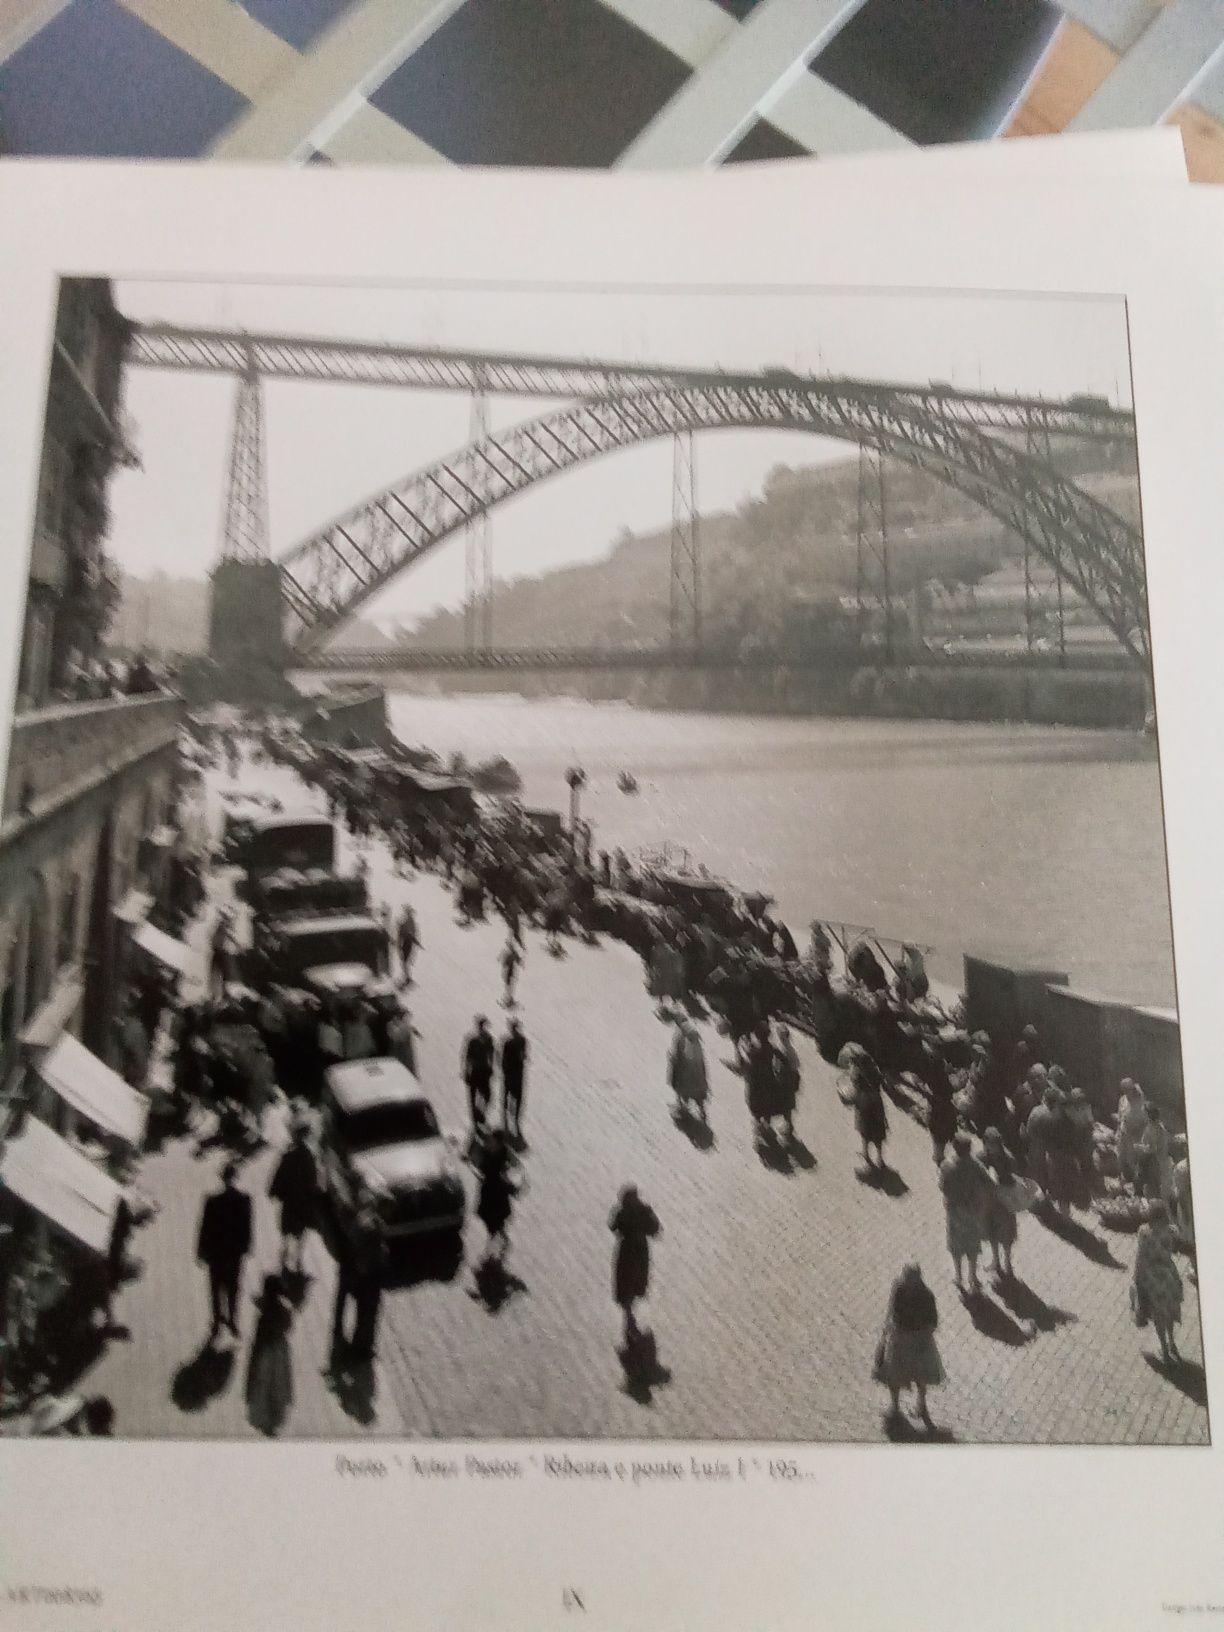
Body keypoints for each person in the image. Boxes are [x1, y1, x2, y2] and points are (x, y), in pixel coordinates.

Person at [873, 1264, 942, 1429]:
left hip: (913, 1339)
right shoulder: (903, 1291)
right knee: (897, 1375)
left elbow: (932, 1322)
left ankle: (920, 1405)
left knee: (917, 1376)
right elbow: (894, 1313)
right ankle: (897, 1406)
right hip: (907, 1338)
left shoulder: (923, 1295)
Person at [196, 1160, 253, 1339]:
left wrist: (201, 1250)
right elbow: (247, 1228)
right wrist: (245, 1248)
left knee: (215, 1288)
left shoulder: (212, 1201)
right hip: (234, 1254)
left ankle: (216, 1321)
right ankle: (232, 1320)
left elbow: (204, 1228)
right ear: (235, 1177)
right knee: (233, 1288)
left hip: (216, 1253)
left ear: (222, 1179)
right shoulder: (244, 1200)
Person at [332, 1186, 388, 1363]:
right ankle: (361, 1348)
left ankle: (346, 1339)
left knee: (352, 1309)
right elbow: (367, 1253)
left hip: (357, 1273)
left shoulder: (361, 1219)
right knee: (367, 1313)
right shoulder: (372, 1225)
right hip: (367, 1276)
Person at [938, 1132, 994, 1294]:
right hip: (972, 1210)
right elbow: (990, 1183)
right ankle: (973, 1277)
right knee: (972, 1243)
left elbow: (942, 1186)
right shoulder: (975, 1165)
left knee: (956, 1244)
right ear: (969, 1149)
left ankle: (958, 1276)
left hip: (954, 1210)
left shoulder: (947, 1165)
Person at [1131, 1201, 1184, 1364]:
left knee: (1158, 1315)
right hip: (1169, 1275)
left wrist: (1136, 1276)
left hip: (1153, 1279)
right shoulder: (1170, 1231)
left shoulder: (1144, 1232)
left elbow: (1141, 1257)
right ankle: (1172, 1343)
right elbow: (1172, 1249)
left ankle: (1164, 1351)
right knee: (1169, 1311)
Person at [245, 1273, 295, 1436]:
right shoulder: (283, 1311)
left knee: (263, 1381)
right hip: (278, 1351)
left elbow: (260, 1336)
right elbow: (288, 1327)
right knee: (277, 1381)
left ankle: (266, 1405)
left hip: (265, 1351)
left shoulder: (265, 1312)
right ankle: (274, 1404)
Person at [610, 1185, 660, 1345]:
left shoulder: (621, 1211)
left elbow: (613, 1227)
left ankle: (628, 1314)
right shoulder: (644, 1210)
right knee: (636, 1280)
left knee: (626, 1281)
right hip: (639, 1251)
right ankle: (630, 1314)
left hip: (626, 1250)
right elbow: (655, 1228)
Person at [268, 1120, 319, 1276]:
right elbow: (313, 1180)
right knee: (300, 1228)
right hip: (302, 1200)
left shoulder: (290, 1155)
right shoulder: (309, 1156)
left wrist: (274, 1190)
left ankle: (286, 1251)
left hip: (291, 1199)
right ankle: (297, 1254)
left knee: (288, 1227)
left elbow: (280, 1174)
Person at [476, 1129, 518, 1259]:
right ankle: (500, 1235)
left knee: (496, 1214)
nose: (491, 1141)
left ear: (499, 1142)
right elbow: (478, 1165)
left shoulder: (504, 1151)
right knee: (488, 1215)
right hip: (488, 1187)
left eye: (493, 1140)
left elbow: (516, 1164)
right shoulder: (486, 1149)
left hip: (498, 1188)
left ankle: (495, 1238)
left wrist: (506, 1171)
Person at [847, 1053, 889, 1169]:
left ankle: (866, 1154)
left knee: (865, 1130)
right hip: (877, 1103)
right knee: (878, 1133)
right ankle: (880, 1159)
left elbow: (854, 1087)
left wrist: (852, 1069)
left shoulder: (858, 1075)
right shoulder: (876, 1073)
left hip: (864, 1103)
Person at [463, 1015, 496, 1135]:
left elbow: (491, 1054)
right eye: (482, 1025)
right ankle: (475, 1122)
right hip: (475, 1071)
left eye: (484, 1025)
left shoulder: (488, 1039)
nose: (483, 1028)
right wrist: (466, 1071)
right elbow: (468, 1056)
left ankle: (479, 1113)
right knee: (473, 1097)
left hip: (484, 1071)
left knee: (487, 1096)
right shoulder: (472, 1040)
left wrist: (491, 1067)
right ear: (479, 1026)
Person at [1138, 1103, 1173, 1203]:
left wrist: (1140, 1147)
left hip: (1158, 1162)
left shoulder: (1156, 1128)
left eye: (1144, 1113)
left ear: (1148, 1114)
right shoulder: (1151, 1126)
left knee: (1158, 1190)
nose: (1142, 1115)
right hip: (1153, 1162)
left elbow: (1154, 1148)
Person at [1116, 1078, 1148, 1186]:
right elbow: (1121, 1116)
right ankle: (1123, 1181)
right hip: (1123, 1131)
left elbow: (1143, 1119)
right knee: (1121, 1156)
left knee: (1133, 1160)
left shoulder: (1139, 1100)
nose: (1126, 1092)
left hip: (1136, 1133)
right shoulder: (1122, 1100)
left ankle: (1138, 1184)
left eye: (1128, 1089)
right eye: (1124, 1089)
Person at [501, 1019, 528, 1141]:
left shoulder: (522, 1040)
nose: (516, 1030)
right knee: (508, 1096)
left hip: (518, 1074)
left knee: (517, 1098)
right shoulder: (508, 1042)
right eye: (515, 1028)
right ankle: (507, 1118)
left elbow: (524, 1055)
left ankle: (515, 1119)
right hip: (511, 1073)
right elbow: (504, 1059)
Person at [775, 1024, 801, 1138]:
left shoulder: (786, 1050)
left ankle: (789, 1127)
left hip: (786, 1082)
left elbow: (792, 1066)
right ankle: (788, 1126)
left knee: (786, 1106)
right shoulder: (788, 1048)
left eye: (780, 1035)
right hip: (787, 1081)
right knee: (787, 1105)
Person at [396, 904, 419, 983]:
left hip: (406, 942)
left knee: (404, 961)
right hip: (408, 942)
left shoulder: (407, 921)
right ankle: (407, 976)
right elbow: (413, 933)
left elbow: (402, 933)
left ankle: (407, 976)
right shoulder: (410, 921)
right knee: (405, 961)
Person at [500, 936, 523, 1008]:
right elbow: (519, 961)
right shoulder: (512, 954)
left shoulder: (510, 954)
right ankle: (509, 998)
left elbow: (505, 963)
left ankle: (509, 999)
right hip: (510, 972)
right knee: (509, 986)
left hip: (510, 972)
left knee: (509, 986)